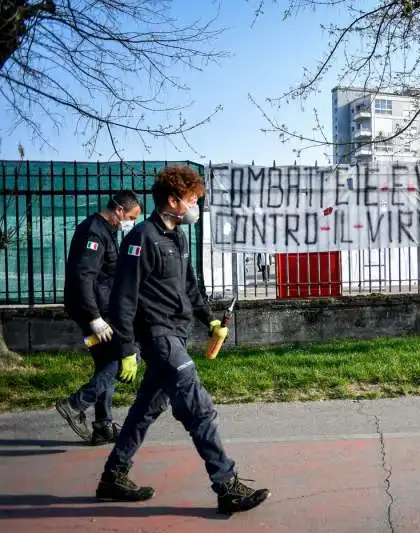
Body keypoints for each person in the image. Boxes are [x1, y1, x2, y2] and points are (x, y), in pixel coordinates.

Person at [96, 166, 270, 515]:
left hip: (176, 333)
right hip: (158, 337)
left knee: (145, 409)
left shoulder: (178, 237)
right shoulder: (141, 238)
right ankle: (226, 484)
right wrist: (127, 349)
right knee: (199, 408)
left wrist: (209, 320)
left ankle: (113, 477)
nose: (196, 206)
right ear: (172, 201)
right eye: (191, 200)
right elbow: (124, 298)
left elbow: (190, 287)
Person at [57, 191, 142, 445]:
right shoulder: (94, 233)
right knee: (121, 356)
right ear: (118, 210)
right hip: (93, 312)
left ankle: (103, 426)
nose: (131, 223)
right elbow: (83, 276)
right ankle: (75, 404)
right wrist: (94, 318)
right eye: (130, 217)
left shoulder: (106, 230)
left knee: (107, 361)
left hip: (99, 308)